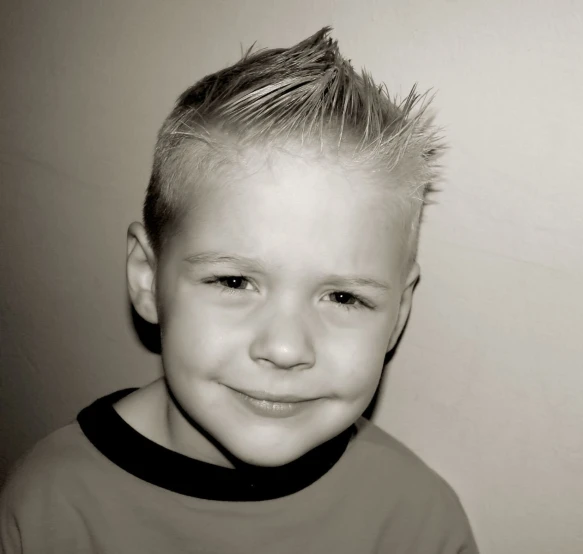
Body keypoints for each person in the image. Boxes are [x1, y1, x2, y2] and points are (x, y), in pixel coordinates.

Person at [0, 27, 478, 553]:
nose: (285, 349)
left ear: (399, 311)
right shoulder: (50, 505)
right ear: (146, 277)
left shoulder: (418, 524)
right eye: (233, 281)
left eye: (344, 297)